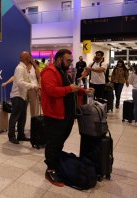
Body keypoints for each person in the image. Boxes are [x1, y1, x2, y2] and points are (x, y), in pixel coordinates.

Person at [41, 49, 94, 187]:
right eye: (68, 60)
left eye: (71, 60)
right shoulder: (49, 71)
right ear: (58, 59)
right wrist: (69, 89)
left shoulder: (63, 71)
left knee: (60, 141)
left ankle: (56, 163)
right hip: (55, 116)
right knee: (53, 142)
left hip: (66, 114)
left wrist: (83, 90)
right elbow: (51, 90)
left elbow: (70, 87)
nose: (70, 63)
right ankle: (50, 170)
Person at [4, 51, 39, 144]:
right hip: (17, 96)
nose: (30, 58)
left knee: (22, 117)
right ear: (25, 58)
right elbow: (19, 82)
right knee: (15, 116)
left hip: (23, 96)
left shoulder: (24, 68)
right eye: (29, 57)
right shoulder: (20, 68)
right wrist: (32, 86)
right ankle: (11, 136)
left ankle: (21, 135)